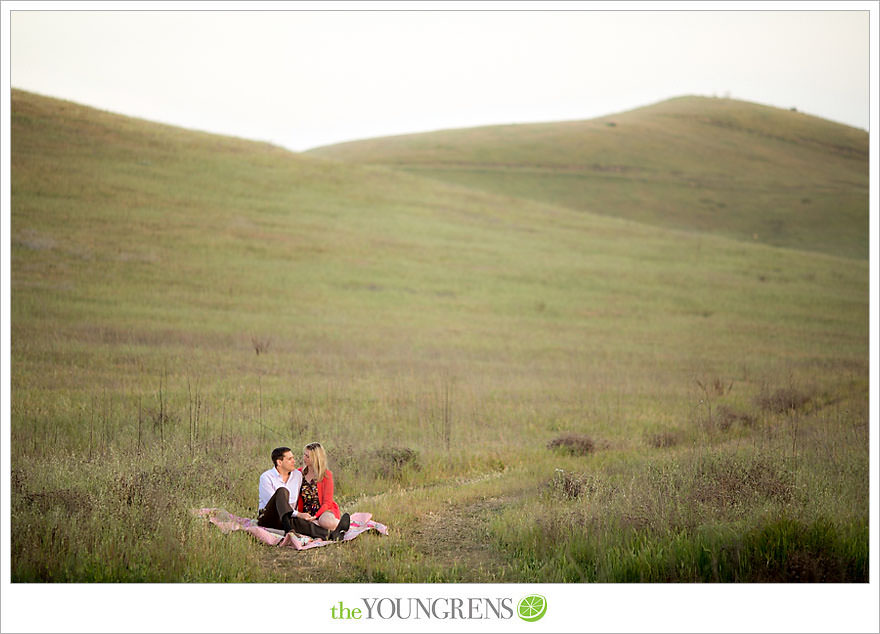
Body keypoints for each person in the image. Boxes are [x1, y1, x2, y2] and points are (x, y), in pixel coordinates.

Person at [257, 446, 347, 541]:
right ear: (279, 462)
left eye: (293, 458)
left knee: (307, 525)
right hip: (269, 518)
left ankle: (332, 536)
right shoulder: (266, 477)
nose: (294, 461)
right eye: (290, 459)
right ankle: (289, 531)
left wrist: (302, 515)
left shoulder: (297, 475)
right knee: (282, 491)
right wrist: (298, 514)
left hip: (289, 518)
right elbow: (275, 504)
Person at [296, 442, 350, 539]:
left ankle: (340, 526)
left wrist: (316, 516)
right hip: (305, 513)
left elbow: (327, 502)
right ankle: (334, 531)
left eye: (307, 456)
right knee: (301, 523)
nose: (304, 458)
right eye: (304, 454)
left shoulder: (326, 475)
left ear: (316, 459)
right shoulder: (299, 473)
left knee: (325, 521)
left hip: (323, 511)